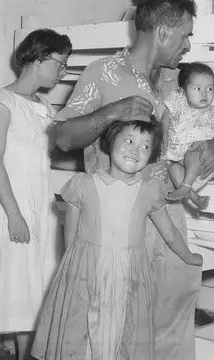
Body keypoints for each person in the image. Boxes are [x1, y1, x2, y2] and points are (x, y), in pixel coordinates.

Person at [53, 0, 214, 360]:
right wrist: (112, 112)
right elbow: (63, 137)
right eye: (184, 35)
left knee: (172, 318)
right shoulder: (104, 74)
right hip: (115, 230)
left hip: (165, 217)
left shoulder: (179, 83)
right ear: (162, 32)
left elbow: (213, 128)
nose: (188, 44)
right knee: (112, 330)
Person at [32, 117, 203, 360]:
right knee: (84, 332)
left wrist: (188, 255)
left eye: (145, 147)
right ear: (110, 143)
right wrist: (70, 275)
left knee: (121, 333)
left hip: (128, 276)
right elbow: (70, 237)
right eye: (129, 141)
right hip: (87, 272)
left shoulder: (148, 191)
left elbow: (169, 232)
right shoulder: (83, 185)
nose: (136, 150)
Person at [0, 29, 71, 360]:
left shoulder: (43, 104)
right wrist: (14, 215)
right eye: (61, 63)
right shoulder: (1, 103)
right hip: (11, 208)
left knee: (34, 300)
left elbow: (47, 158)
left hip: (41, 210)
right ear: (39, 58)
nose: (63, 71)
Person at [161, 62, 214, 208]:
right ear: (183, 91)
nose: (204, 94)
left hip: (197, 157)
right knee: (173, 169)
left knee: (194, 152)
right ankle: (195, 197)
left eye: (210, 89)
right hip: (176, 156)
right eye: (197, 89)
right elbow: (165, 119)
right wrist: (163, 134)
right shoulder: (177, 102)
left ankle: (186, 186)